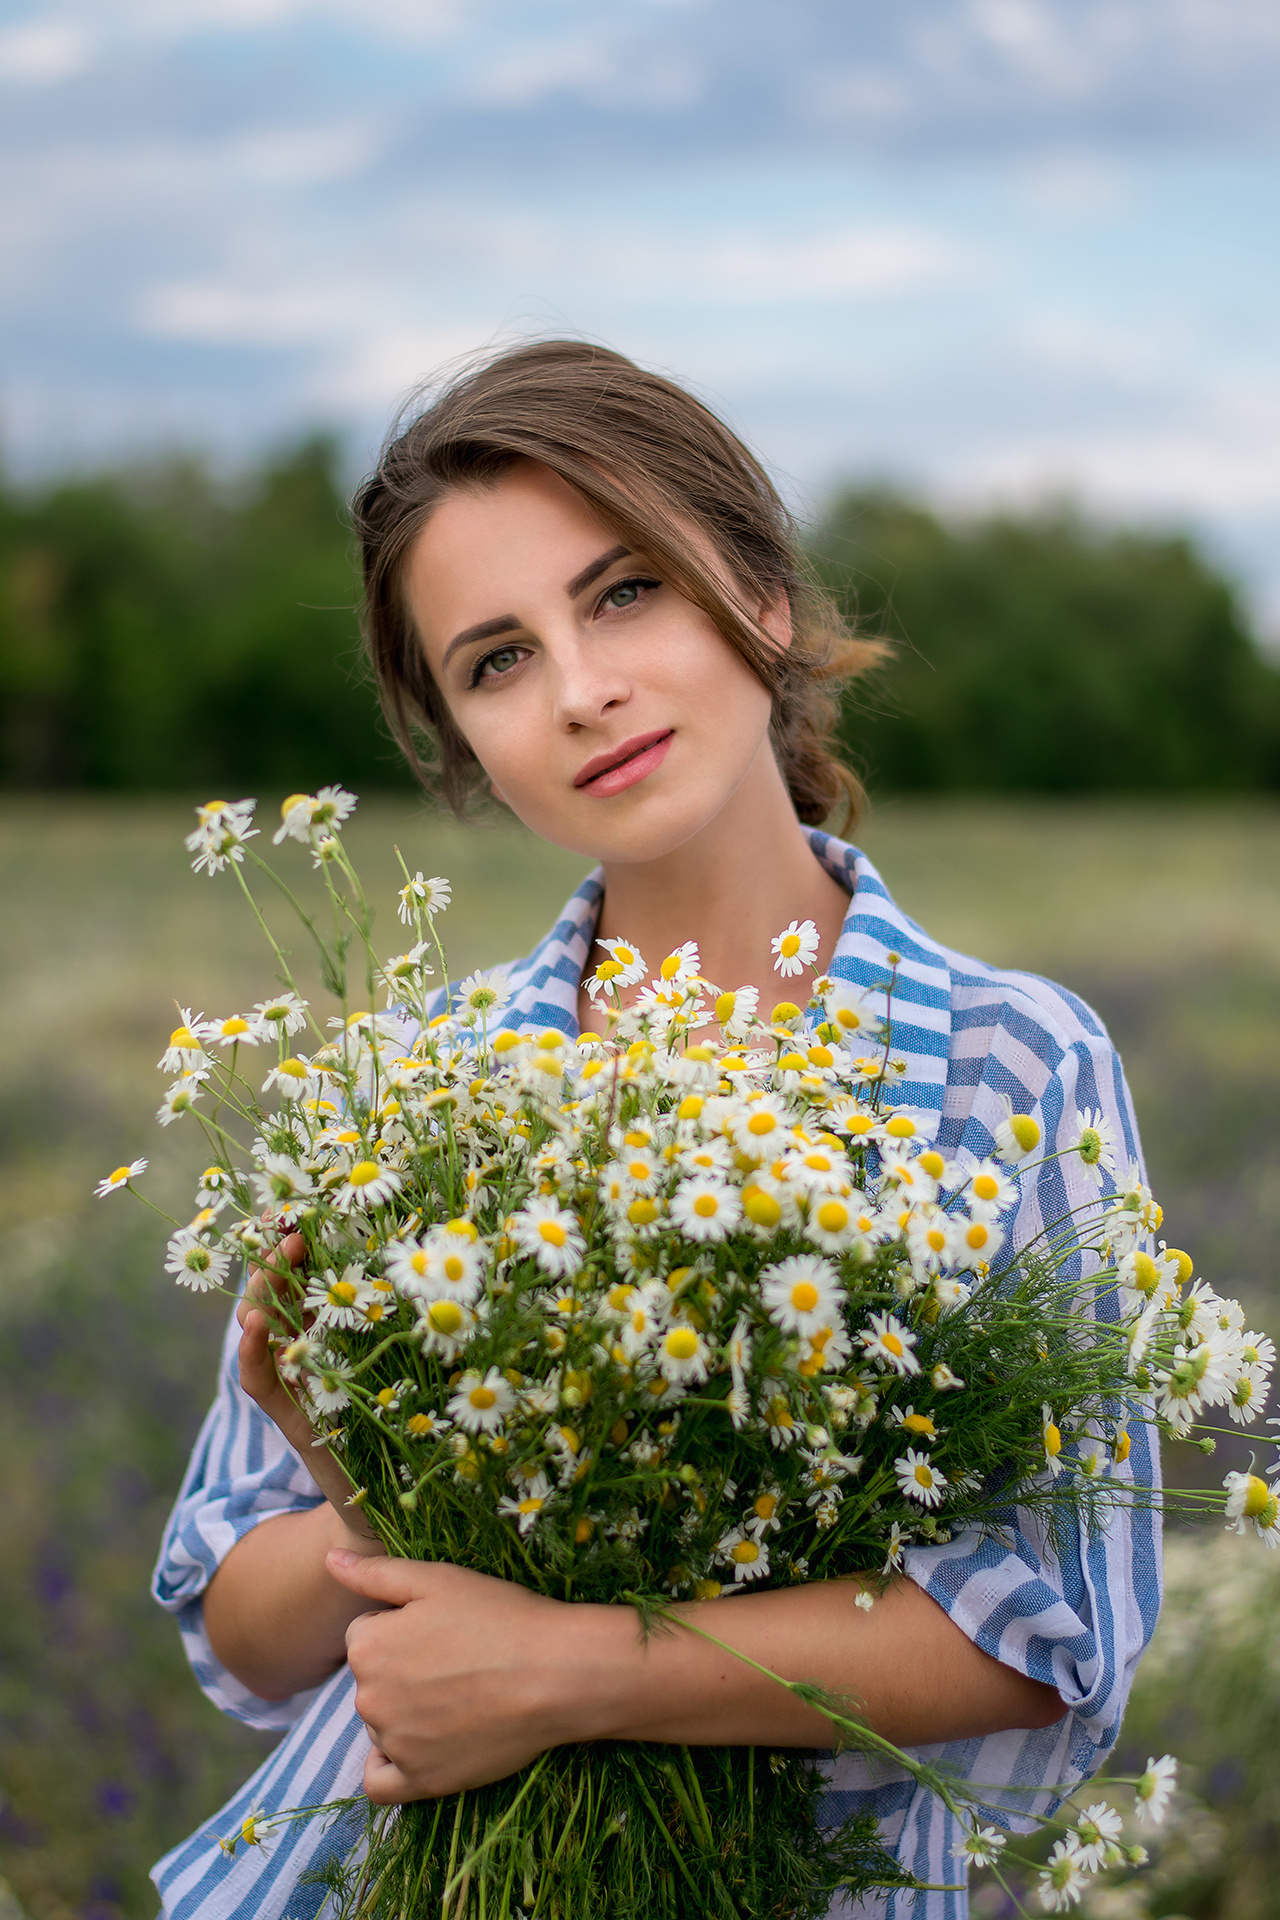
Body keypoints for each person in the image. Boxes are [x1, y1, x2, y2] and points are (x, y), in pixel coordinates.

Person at [151, 340, 1161, 1919]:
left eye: (622, 592)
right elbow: (237, 1617)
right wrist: (356, 1465)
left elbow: (1046, 1634)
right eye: (495, 660)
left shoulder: (1006, 1059)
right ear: (462, 747)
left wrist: (571, 1669)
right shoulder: (427, 1079)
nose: (580, 689)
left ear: (757, 594)